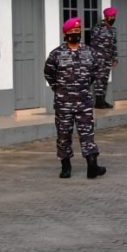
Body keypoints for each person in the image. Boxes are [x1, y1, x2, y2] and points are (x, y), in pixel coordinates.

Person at [43, 17, 106, 179]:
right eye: (72, 32)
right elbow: (48, 73)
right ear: (65, 35)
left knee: (87, 134)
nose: (75, 35)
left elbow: (95, 71)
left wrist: (84, 86)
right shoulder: (56, 54)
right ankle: (65, 166)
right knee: (64, 134)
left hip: (83, 101)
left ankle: (92, 165)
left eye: (78, 32)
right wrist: (58, 88)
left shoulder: (89, 52)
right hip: (63, 102)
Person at [90, 7, 118, 109]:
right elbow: (92, 43)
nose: (113, 18)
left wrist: (115, 58)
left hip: (108, 58)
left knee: (105, 79)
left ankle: (103, 100)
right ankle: (98, 101)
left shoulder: (113, 30)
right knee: (99, 79)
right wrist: (94, 57)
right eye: (112, 16)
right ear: (106, 17)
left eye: (114, 16)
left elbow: (114, 45)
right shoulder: (98, 28)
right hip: (99, 58)